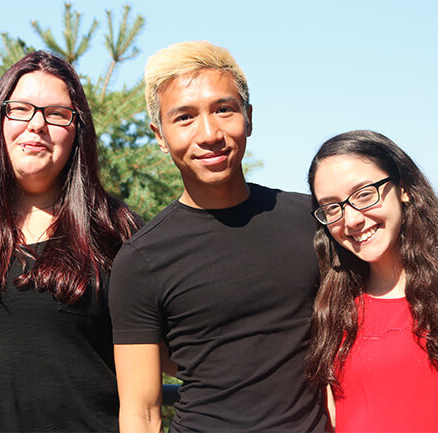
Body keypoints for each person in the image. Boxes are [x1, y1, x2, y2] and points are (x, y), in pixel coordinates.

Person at [109, 40, 327, 432]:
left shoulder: (312, 220)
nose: (209, 133)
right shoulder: (142, 259)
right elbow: (140, 412)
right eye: (185, 118)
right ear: (159, 135)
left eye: (223, 109)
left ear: (249, 117)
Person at [0, 50, 142, 432]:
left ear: (78, 130)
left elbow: (176, 350)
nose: (37, 125)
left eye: (57, 114)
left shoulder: (117, 231)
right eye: (21, 109)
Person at [306, 130, 438, 432]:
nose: (351, 220)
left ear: (403, 188)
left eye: (364, 194)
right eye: (332, 207)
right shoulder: (331, 308)